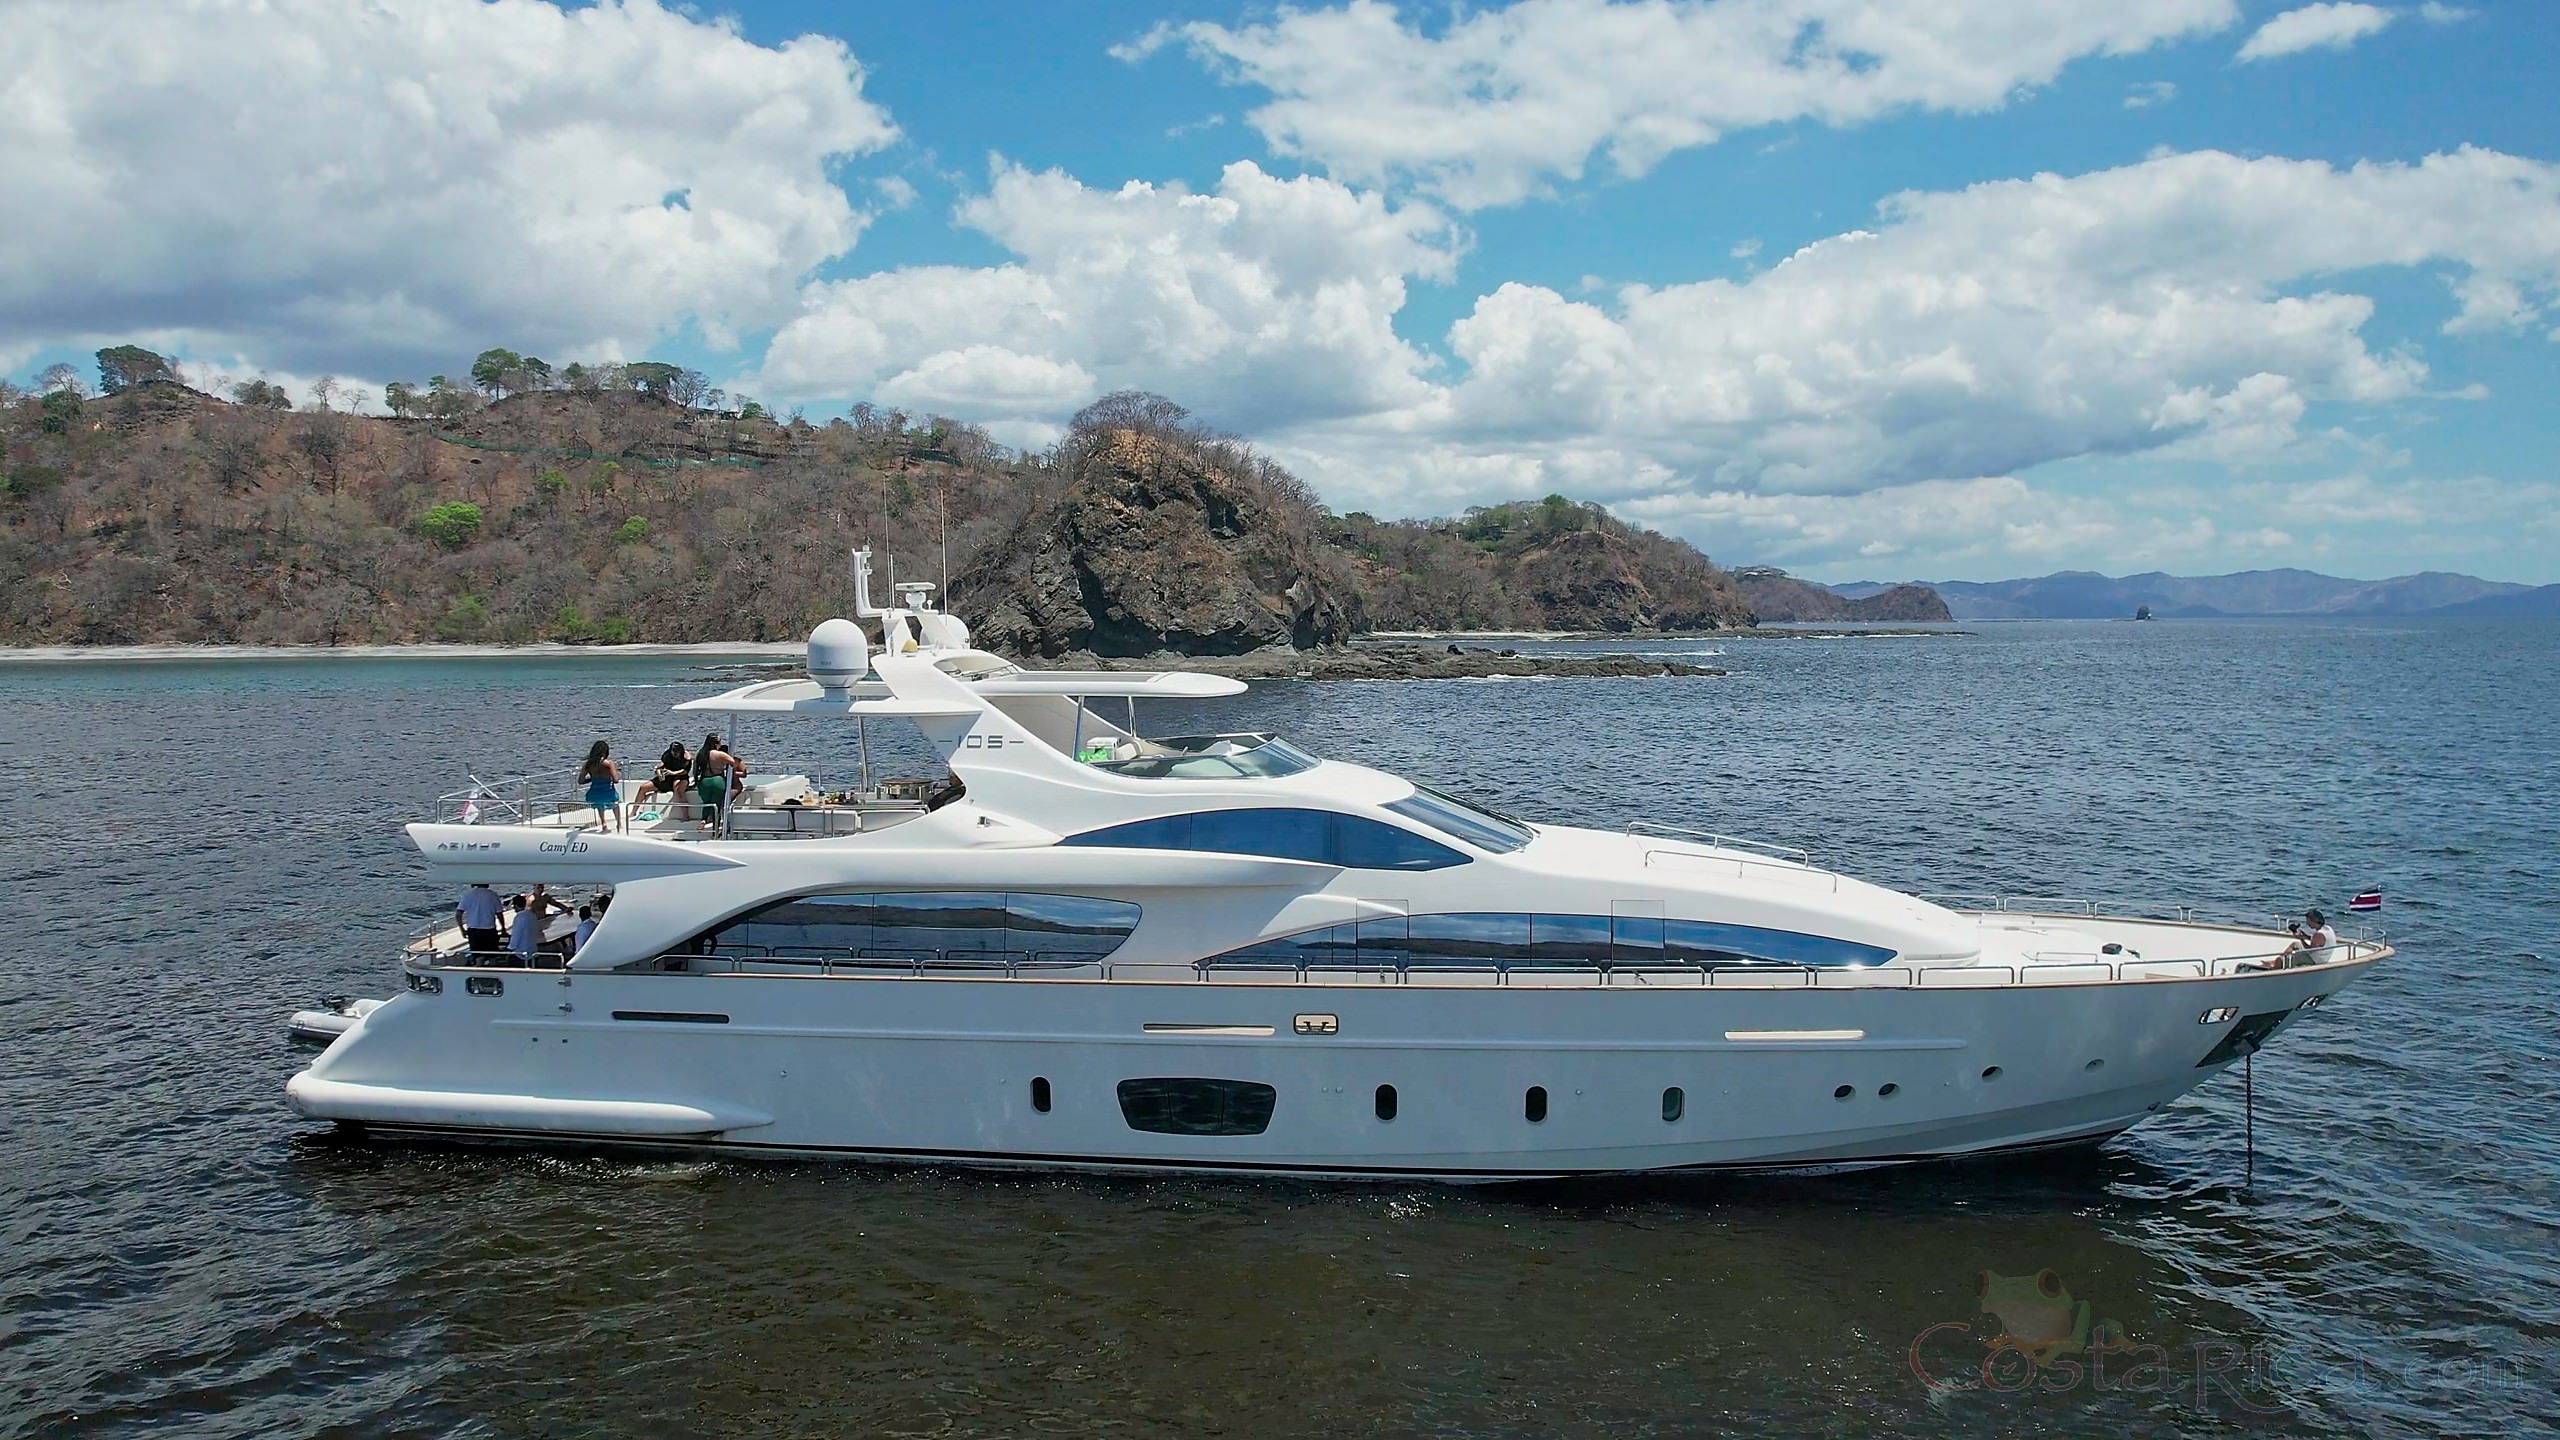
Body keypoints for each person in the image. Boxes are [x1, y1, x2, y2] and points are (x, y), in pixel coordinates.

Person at [693, 732, 744, 831]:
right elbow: (733, 763)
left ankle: (703, 820)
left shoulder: (700, 754)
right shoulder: (719, 754)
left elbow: (695, 770)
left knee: (707, 803)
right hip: (717, 780)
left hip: (704, 781)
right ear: (716, 743)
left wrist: (696, 783)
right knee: (717, 806)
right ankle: (715, 831)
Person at [632, 741, 692, 818]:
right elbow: (660, 766)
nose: (675, 754)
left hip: (680, 776)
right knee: (643, 787)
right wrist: (659, 773)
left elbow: (685, 771)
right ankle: (633, 811)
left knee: (678, 790)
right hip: (667, 777)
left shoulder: (686, 757)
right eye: (673, 752)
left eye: (677, 752)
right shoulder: (667, 755)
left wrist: (672, 773)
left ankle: (685, 816)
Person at [578, 739, 621, 832]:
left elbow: (580, 781)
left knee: (599, 804)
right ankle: (619, 823)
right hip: (608, 793)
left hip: (593, 794)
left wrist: (592, 779)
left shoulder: (588, 764)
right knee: (615, 803)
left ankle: (603, 823)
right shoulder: (609, 764)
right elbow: (616, 780)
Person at [456, 882, 504, 958]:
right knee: (492, 956)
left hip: (473, 930)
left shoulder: (468, 895)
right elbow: (499, 914)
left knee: (478, 956)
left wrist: (462, 929)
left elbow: (458, 914)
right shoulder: (493, 895)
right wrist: (503, 928)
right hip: (489, 929)